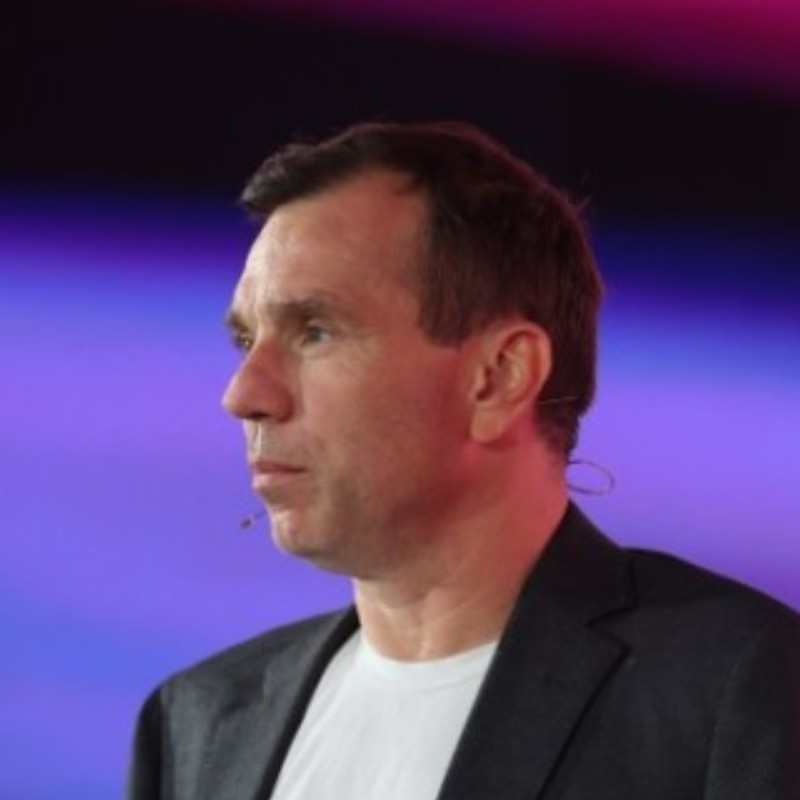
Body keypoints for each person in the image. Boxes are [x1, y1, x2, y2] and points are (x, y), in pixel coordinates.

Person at [128, 122, 800, 799]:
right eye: (247, 340)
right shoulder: (195, 725)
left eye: (316, 331)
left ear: (498, 378)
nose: (244, 394)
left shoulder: (742, 689)